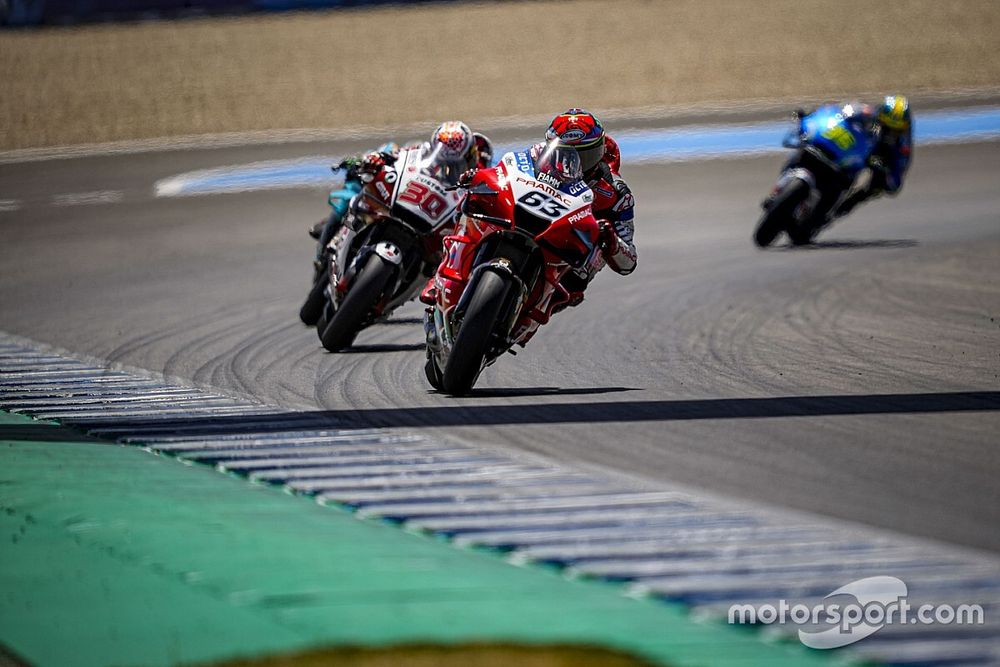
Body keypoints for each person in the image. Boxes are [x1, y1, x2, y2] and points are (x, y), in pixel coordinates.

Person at [309, 123, 493, 250]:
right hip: (403, 195)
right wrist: (370, 159)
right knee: (350, 196)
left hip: (435, 222)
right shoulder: (422, 151)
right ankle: (331, 233)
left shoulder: (477, 186)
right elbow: (396, 152)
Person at [541, 108, 636, 310]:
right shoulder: (535, 161)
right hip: (530, 226)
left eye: (585, 157)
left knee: (600, 240)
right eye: (565, 154)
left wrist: (613, 244)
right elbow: (504, 170)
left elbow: (629, 262)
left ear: (600, 152)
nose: (575, 165)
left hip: (567, 265)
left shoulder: (616, 194)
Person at [833, 95, 913, 217]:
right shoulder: (868, 113)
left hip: (877, 158)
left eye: (895, 130)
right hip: (855, 145)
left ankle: (854, 200)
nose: (890, 134)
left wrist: (882, 170)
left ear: (904, 128)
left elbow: (895, 184)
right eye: (887, 128)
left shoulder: (903, 145)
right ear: (880, 117)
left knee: (877, 185)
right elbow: (843, 111)